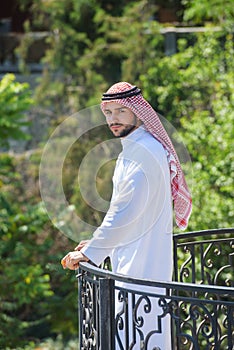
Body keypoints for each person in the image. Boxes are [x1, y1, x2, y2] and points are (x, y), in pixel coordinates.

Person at [61, 82, 192, 349]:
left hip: (142, 260)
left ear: (137, 112)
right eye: (108, 113)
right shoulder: (137, 147)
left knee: (140, 333)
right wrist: (97, 244)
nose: (113, 119)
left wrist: (92, 251)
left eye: (121, 111)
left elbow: (124, 212)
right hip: (137, 253)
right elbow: (124, 210)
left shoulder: (143, 152)